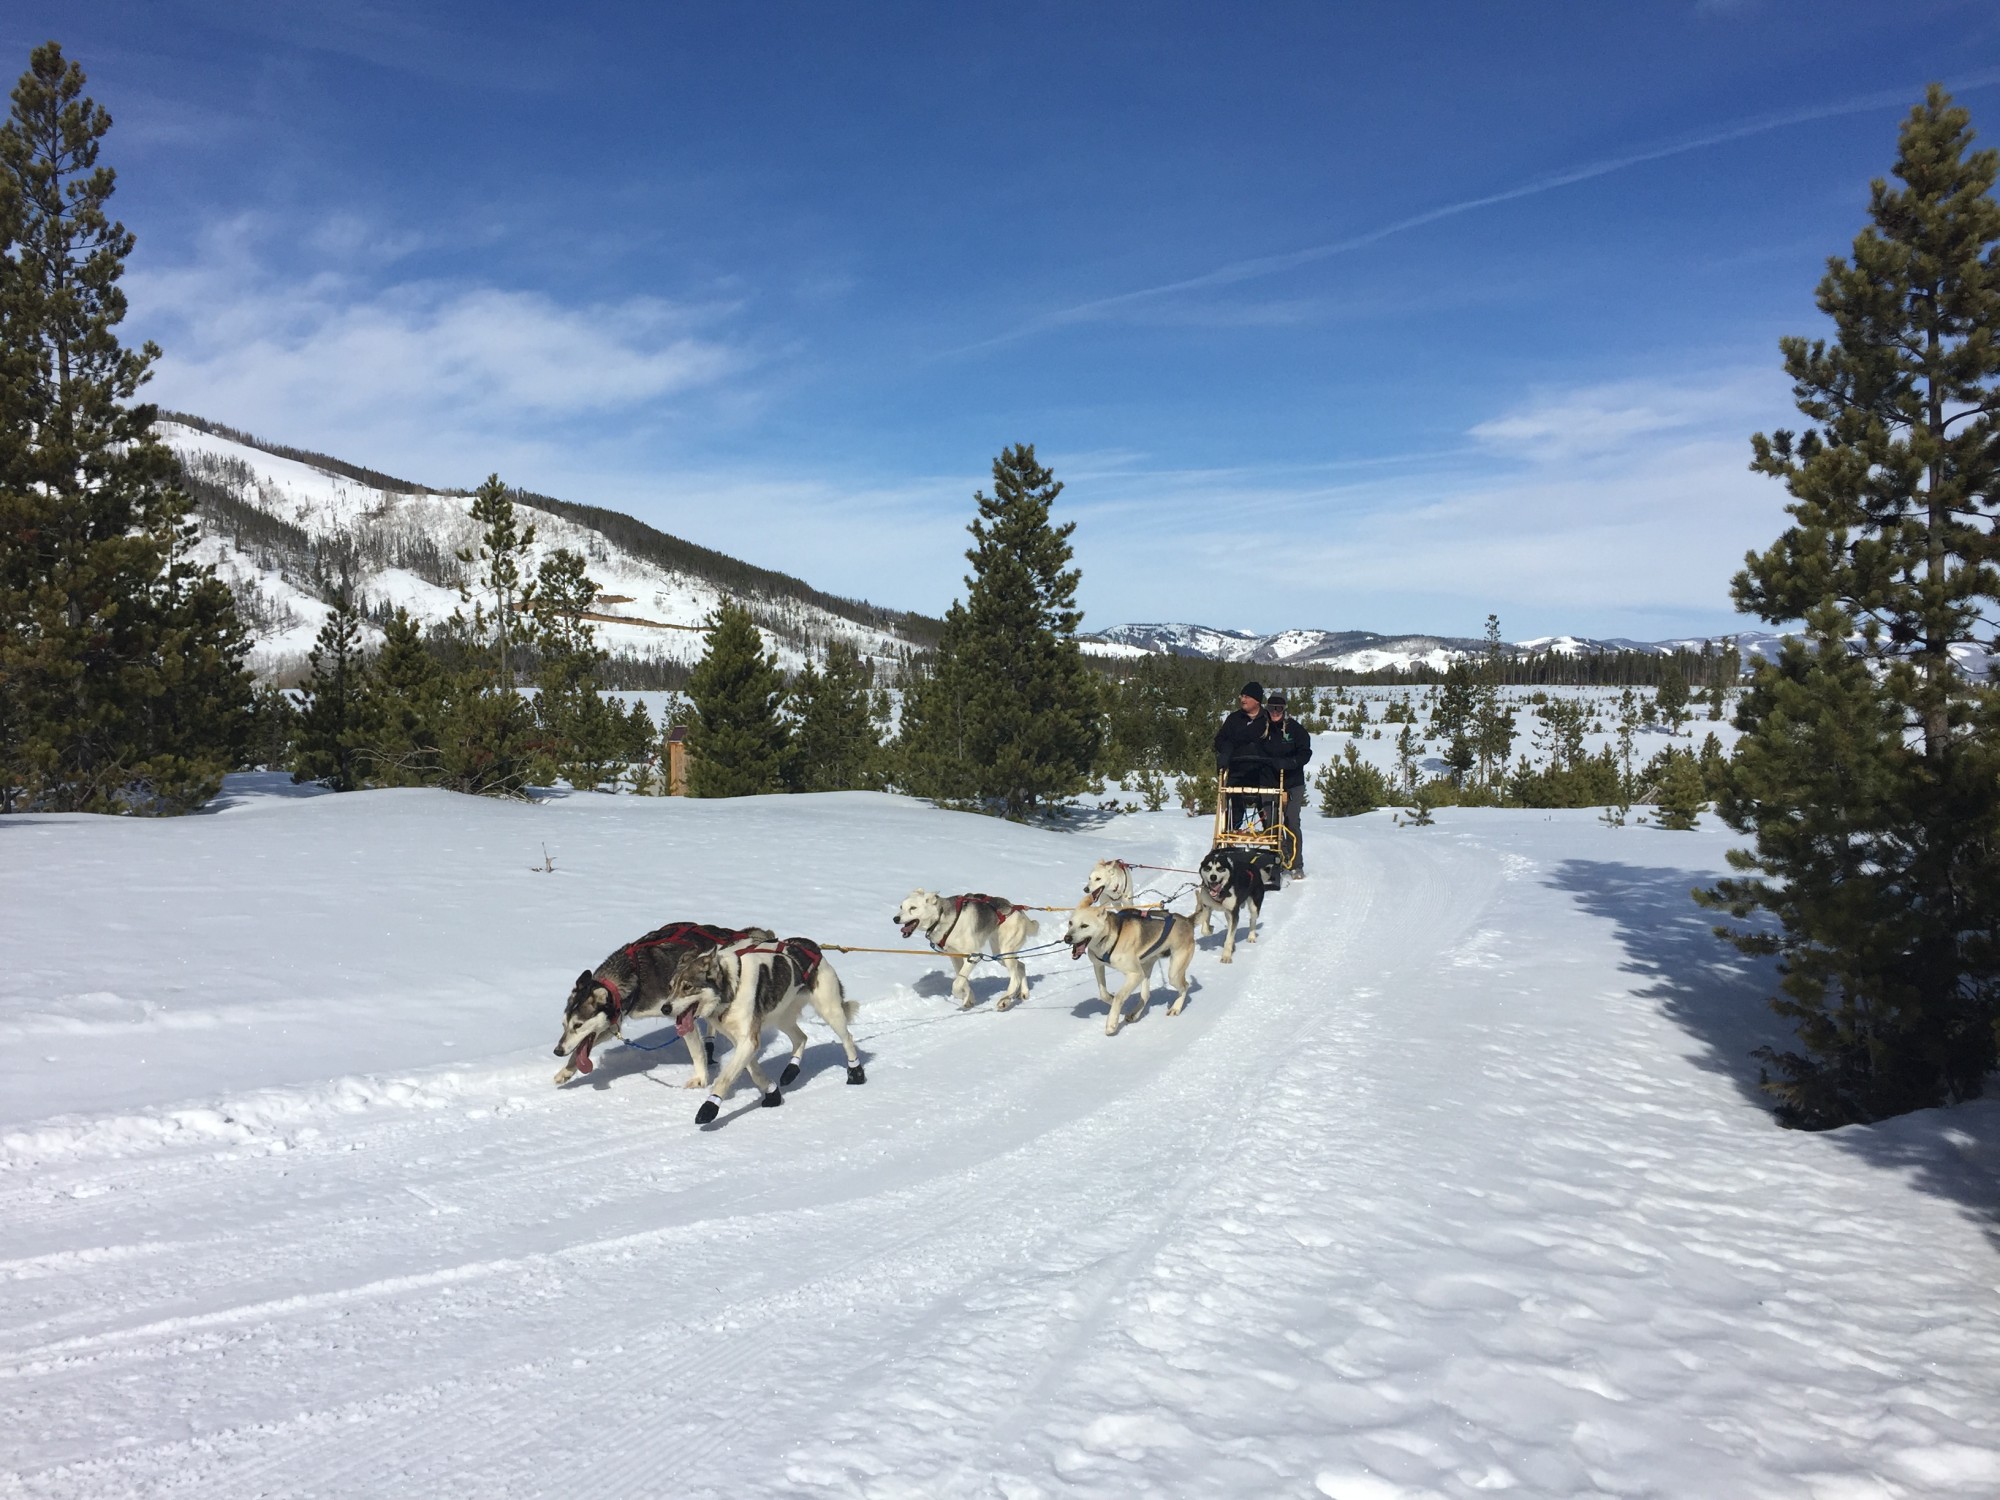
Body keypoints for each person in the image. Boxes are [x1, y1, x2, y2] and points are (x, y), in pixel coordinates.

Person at [1213, 681, 1278, 830]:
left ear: (1257, 700)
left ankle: (1273, 840)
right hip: (1238, 771)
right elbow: (1220, 740)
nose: (1243, 699)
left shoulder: (1268, 719)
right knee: (1234, 811)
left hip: (1262, 772)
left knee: (1268, 810)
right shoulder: (1234, 719)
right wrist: (1227, 752)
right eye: (1242, 696)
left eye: (1247, 696)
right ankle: (1229, 839)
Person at [1263, 689, 1313, 877]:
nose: (1275, 712)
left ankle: (1296, 863)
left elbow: (1305, 752)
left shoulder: (1295, 729)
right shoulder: (1263, 728)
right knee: (1271, 823)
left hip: (1292, 782)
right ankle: (1278, 859)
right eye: (1271, 708)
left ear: (1284, 709)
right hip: (1268, 781)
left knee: (1291, 821)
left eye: (1279, 708)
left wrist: (1291, 762)